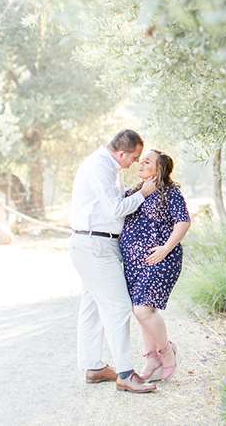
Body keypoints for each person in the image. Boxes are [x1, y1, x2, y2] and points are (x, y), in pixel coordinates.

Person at [69, 129, 157, 393]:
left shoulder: (107, 167)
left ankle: (94, 367)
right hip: (95, 246)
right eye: (134, 157)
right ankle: (126, 374)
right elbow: (115, 209)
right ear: (121, 153)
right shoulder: (100, 168)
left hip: (94, 243)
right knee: (118, 307)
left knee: (92, 307)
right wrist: (144, 193)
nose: (135, 163)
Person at [119, 150, 191, 382]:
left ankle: (167, 353)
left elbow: (183, 221)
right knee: (141, 311)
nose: (141, 162)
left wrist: (164, 249)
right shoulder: (134, 191)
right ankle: (151, 358)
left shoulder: (170, 192)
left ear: (159, 169)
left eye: (147, 161)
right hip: (134, 265)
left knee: (143, 310)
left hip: (162, 259)